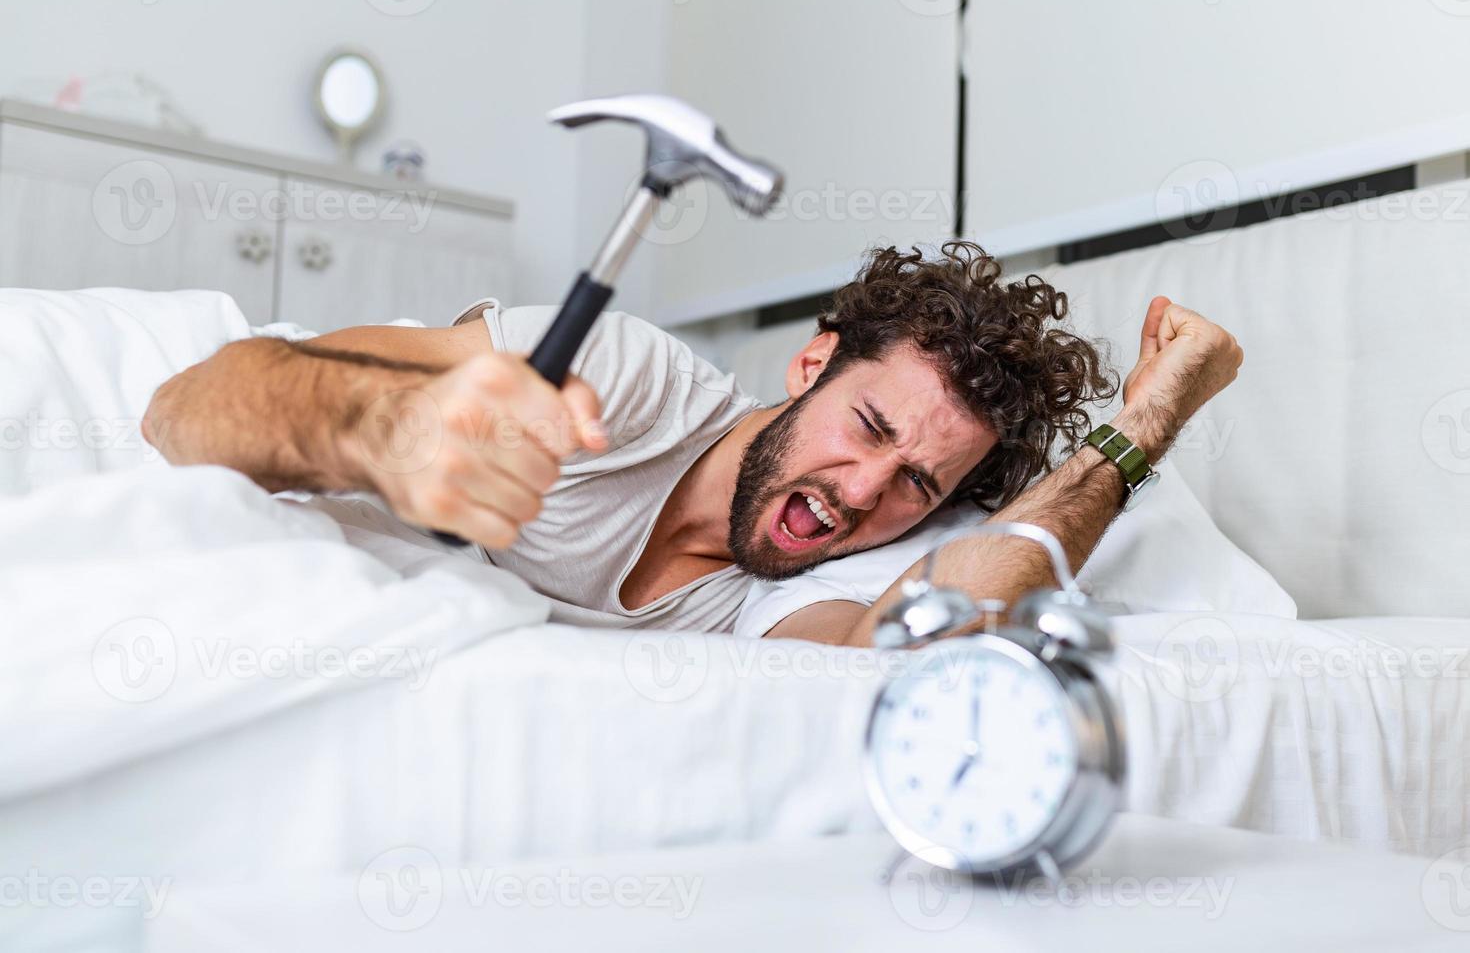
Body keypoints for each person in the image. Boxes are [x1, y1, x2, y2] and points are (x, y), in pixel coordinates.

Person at [143, 242, 1242, 645]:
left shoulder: (808, 574)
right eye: (869, 425)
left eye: (917, 480)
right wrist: (385, 433)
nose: (863, 492)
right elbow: (197, 403)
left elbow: (919, 655)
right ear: (808, 365)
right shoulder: (617, 380)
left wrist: (1144, 426)